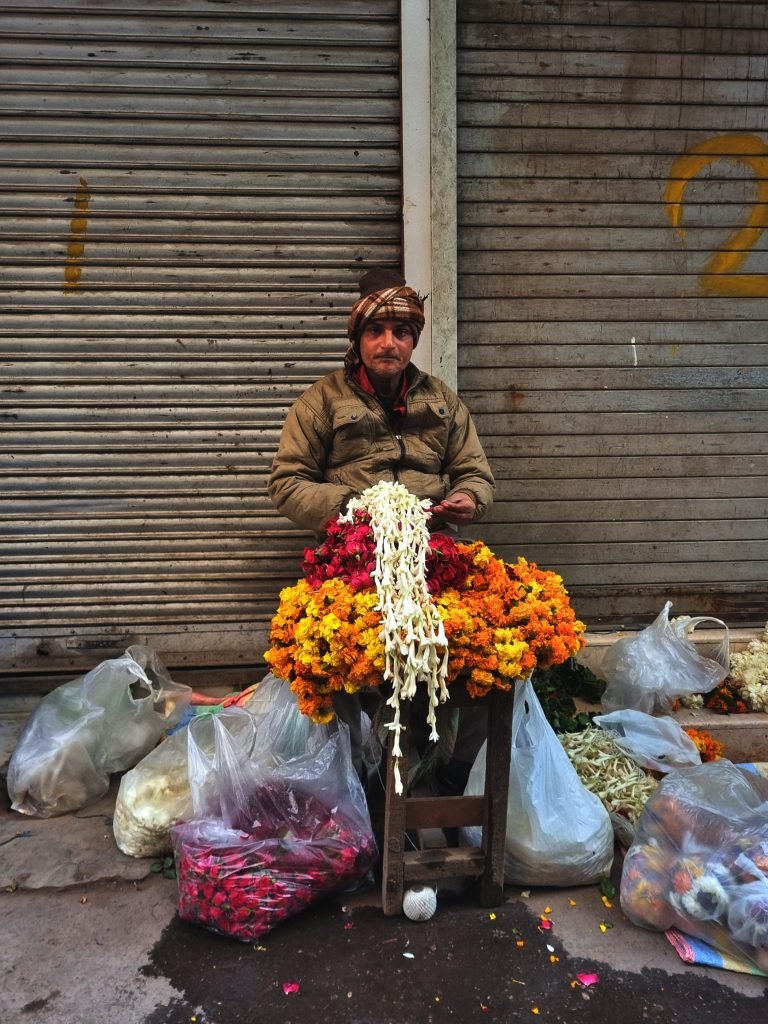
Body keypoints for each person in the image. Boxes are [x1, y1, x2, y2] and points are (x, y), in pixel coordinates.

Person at [268, 267, 495, 797]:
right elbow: (286, 484)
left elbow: (475, 472)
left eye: (401, 332)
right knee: (353, 663)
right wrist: (357, 507)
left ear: (414, 338)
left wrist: (469, 499)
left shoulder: (443, 401)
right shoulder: (320, 402)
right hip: (356, 562)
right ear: (358, 336)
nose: (388, 343)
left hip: (434, 555)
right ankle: (359, 782)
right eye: (376, 331)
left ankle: (450, 773)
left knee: (481, 657)